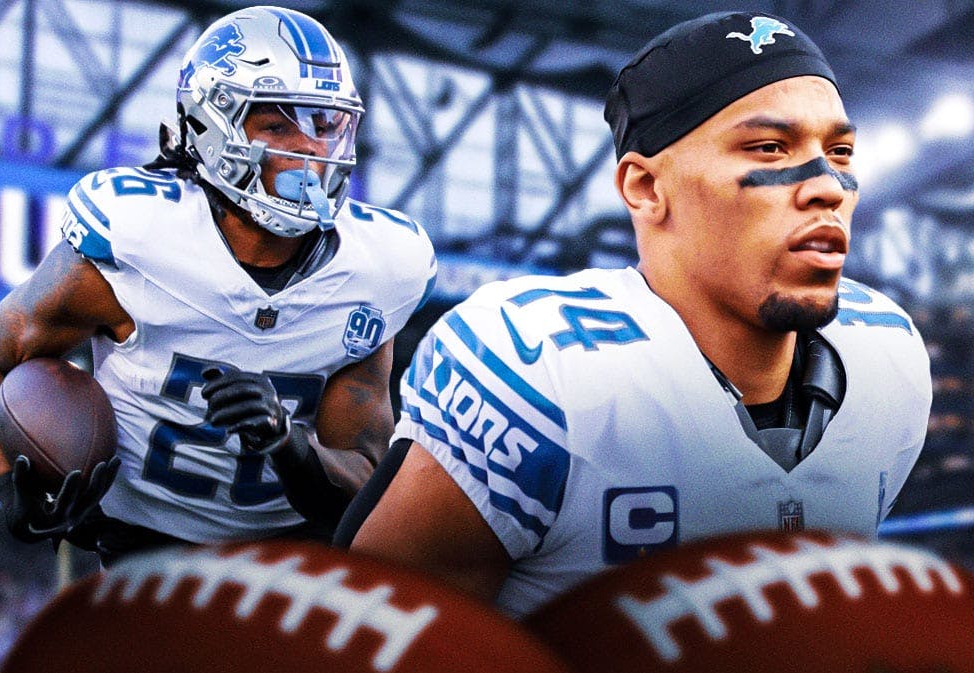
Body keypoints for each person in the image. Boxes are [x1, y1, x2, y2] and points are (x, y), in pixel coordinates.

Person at [344, 11, 931, 618]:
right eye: (769, 148)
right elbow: (383, 638)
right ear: (647, 188)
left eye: (840, 151)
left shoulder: (890, 358)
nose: (829, 185)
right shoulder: (538, 368)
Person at [0, 6, 435, 564]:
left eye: (325, 125)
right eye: (279, 125)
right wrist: (7, 486)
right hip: (142, 540)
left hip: (291, 548)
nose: (310, 148)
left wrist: (290, 444)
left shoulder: (381, 267)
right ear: (211, 126)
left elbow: (361, 476)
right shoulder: (138, 236)